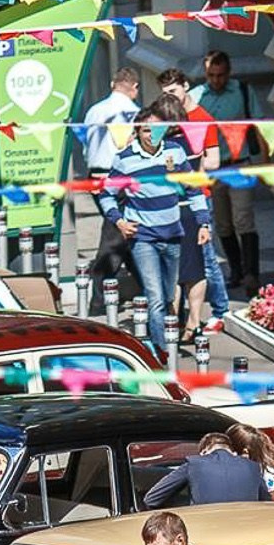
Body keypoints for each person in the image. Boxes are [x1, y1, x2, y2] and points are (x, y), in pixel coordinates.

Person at [97, 95, 206, 362]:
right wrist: (119, 220)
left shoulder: (175, 152)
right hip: (143, 237)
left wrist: (203, 222)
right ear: (137, 132)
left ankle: (167, 338)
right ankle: (162, 355)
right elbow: (106, 194)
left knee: (170, 295)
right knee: (156, 297)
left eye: (157, 128)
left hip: (172, 234)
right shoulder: (125, 159)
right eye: (147, 130)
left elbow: (193, 189)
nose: (152, 134)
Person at [157, 67, 231, 345]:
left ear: (186, 86)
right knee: (180, 261)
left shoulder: (202, 119)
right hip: (172, 200)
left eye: (173, 92)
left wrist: (190, 160)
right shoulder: (165, 119)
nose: (170, 98)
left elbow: (214, 162)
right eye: (165, 94)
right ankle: (180, 316)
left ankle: (221, 310)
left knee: (207, 259)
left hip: (199, 198)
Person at [79, 66, 142, 302]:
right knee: (116, 235)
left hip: (95, 176)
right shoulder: (133, 113)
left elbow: (85, 144)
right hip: (119, 179)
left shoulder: (95, 110)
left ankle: (145, 284)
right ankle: (99, 293)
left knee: (124, 232)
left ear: (112, 85)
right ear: (134, 87)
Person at [199, 50, 259, 293]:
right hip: (212, 168)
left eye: (221, 75)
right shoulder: (198, 96)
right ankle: (235, 269)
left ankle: (252, 274)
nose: (216, 80)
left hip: (239, 164)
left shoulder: (243, 91)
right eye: (211, 75)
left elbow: (260, 124)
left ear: (229, 72)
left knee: (243, 220)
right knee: (223, 225)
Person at [138, 428, 264, 509]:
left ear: (204, 452)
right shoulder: (252, 466)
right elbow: (267, 503)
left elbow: (151, 499)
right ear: (232, 451)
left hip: (206, 533)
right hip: (246, 534)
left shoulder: (194, 463)